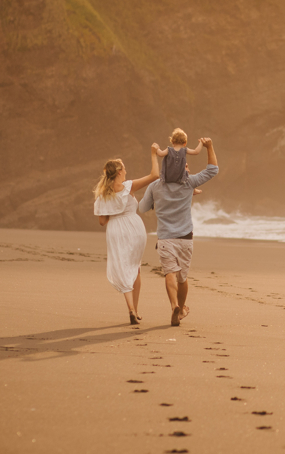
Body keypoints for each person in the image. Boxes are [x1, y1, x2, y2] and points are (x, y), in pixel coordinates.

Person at [139, 136, 219, 326]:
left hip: (166, 238)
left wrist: (154, 201)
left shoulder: (155, 186)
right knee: (182, 278)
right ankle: (181, 309)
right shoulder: (188, 183)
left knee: (169, 274)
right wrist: (209, 147)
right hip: (185, 238)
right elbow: (212, 170)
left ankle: (174, 305)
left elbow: (142, 208)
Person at [93, 144, 160, 326]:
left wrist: (114, 211)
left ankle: (131, 308)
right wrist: (153, 154)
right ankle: (136, 311)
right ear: (120, 172)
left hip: (115, 230)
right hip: (133, 228)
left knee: (123, 268)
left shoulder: (103, 194)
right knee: (135, 269)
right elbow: (155, 175)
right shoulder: (128, 186)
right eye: (124, 167)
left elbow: (102, 221)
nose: (126, 170)